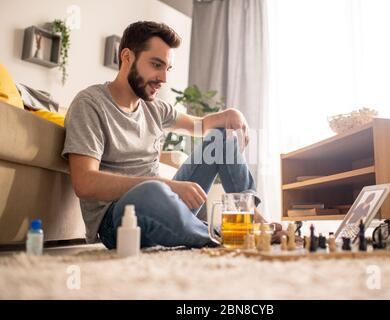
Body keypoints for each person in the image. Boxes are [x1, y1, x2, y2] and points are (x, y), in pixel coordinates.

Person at [62, 21, 285, 249]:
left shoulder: (155, 108)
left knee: (220, 138)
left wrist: (230, 114)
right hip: (120, 220)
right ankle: (224, 234)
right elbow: (85, 183)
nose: (163, 78)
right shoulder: (89, 104)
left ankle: (249, 215)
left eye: (167, 68)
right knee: (152, 191)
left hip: (164, 203)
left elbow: (201, 125)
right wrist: (165, 185)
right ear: (127, 56)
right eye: (156, 65)